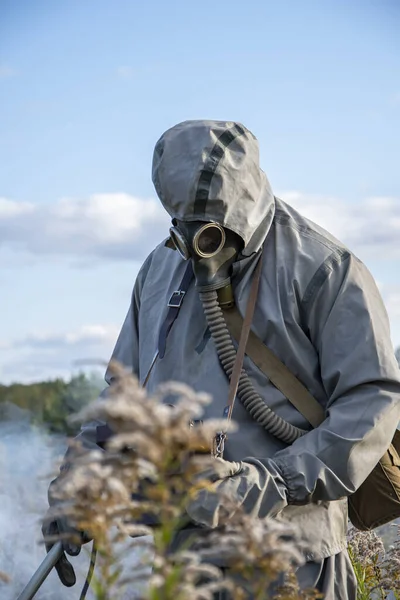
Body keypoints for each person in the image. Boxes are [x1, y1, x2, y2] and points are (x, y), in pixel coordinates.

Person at [43, 120, 400, 599]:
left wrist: (264, 483)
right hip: (183, 563)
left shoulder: (324, 268)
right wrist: (79, 484)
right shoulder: (159, 269)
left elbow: (372, 404)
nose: (198, 246)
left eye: (211, 227)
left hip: (294, 561)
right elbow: (123, 396)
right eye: (185, 225)